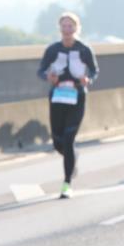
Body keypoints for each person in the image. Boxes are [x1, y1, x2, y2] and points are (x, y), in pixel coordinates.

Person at [37, 12, 99, 198]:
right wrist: (48, 77)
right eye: (64, 26)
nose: (67, 30)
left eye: (70, 26)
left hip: (77, 97)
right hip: (57, 97)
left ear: (77, 28)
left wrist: (88, 79)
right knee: (58, 142)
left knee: (69, 138)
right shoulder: (53, 50)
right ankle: (72, 157)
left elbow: (95, 71)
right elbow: (40, 70)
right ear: (60, 29)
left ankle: (66, 183)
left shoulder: (84, 49)